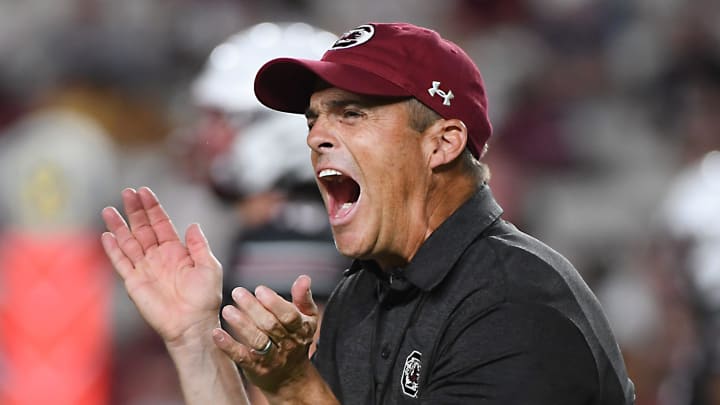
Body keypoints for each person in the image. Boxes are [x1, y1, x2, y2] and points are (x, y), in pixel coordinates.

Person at [101, 22, 636, 404]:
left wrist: (294, 388)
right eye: (314, 118)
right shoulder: (366, 292)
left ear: (442, 144)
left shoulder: (516, 307)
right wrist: (193, 339)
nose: (316, 136)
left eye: (351, 113)